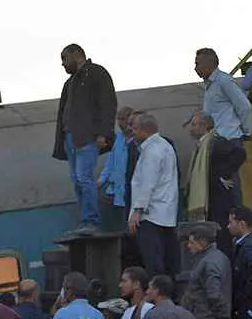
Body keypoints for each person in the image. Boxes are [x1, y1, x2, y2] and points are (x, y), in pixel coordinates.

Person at [51, 43, 117, 234]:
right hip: (70, 137)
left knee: (84, 177)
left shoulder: (96, 73)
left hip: (87, 137)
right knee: (77, 180)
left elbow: (107, 103)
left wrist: (104, 132)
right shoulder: (70, 83)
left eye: (64, 58)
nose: (63, 64)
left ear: (76, 55)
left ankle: (91, 220)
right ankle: (85, 220)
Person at [184, 112, 246, 257]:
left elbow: (240, 153)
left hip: (219, 202)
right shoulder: (200, 146)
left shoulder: (215, 142)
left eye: (194, 124)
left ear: (204, 126)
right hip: (210, 202)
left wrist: (223, 175)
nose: (191, 129)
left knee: (222, 241)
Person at [126, 113, 180, 277]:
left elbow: (147, 183)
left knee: (153, 262)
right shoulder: (166, 146)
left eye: (135, 128)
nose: (132, 132)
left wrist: (137, 210)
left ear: (144, 131)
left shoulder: (152, 151)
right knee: (167, 260)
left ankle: (158, 296)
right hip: (166, 213)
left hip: (151, 214)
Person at [195, 47, 252, 141]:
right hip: (215, 140)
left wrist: (247, 134)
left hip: (230, 139)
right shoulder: (209, 86)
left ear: (209, 63)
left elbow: (244, 106)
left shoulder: (224, 81)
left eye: (198, 64)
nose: (195, 68)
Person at [98, 106, 137, 212]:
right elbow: (110, 163)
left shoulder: (138, 140)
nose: (120, 123)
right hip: (116, 188)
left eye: (123, 119)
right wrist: (101, 180)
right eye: (118, 119)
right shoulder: (118, 138)